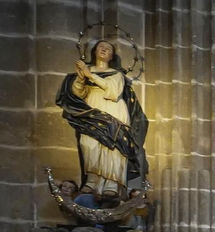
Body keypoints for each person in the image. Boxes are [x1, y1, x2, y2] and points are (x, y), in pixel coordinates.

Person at [56, 38, 149, 199]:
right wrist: (80, 78)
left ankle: (112, 183)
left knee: (112, 146)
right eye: (101, 47)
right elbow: (78, 94)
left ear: (112, 56)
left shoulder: (117, 74)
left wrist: (90, 75)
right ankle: (92, 181)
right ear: (94, 52)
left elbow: (113, 92)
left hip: (112, 111)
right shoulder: (87, 70)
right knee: (89, 144)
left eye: (108, 48)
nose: (104, 49)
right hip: (90, 110)